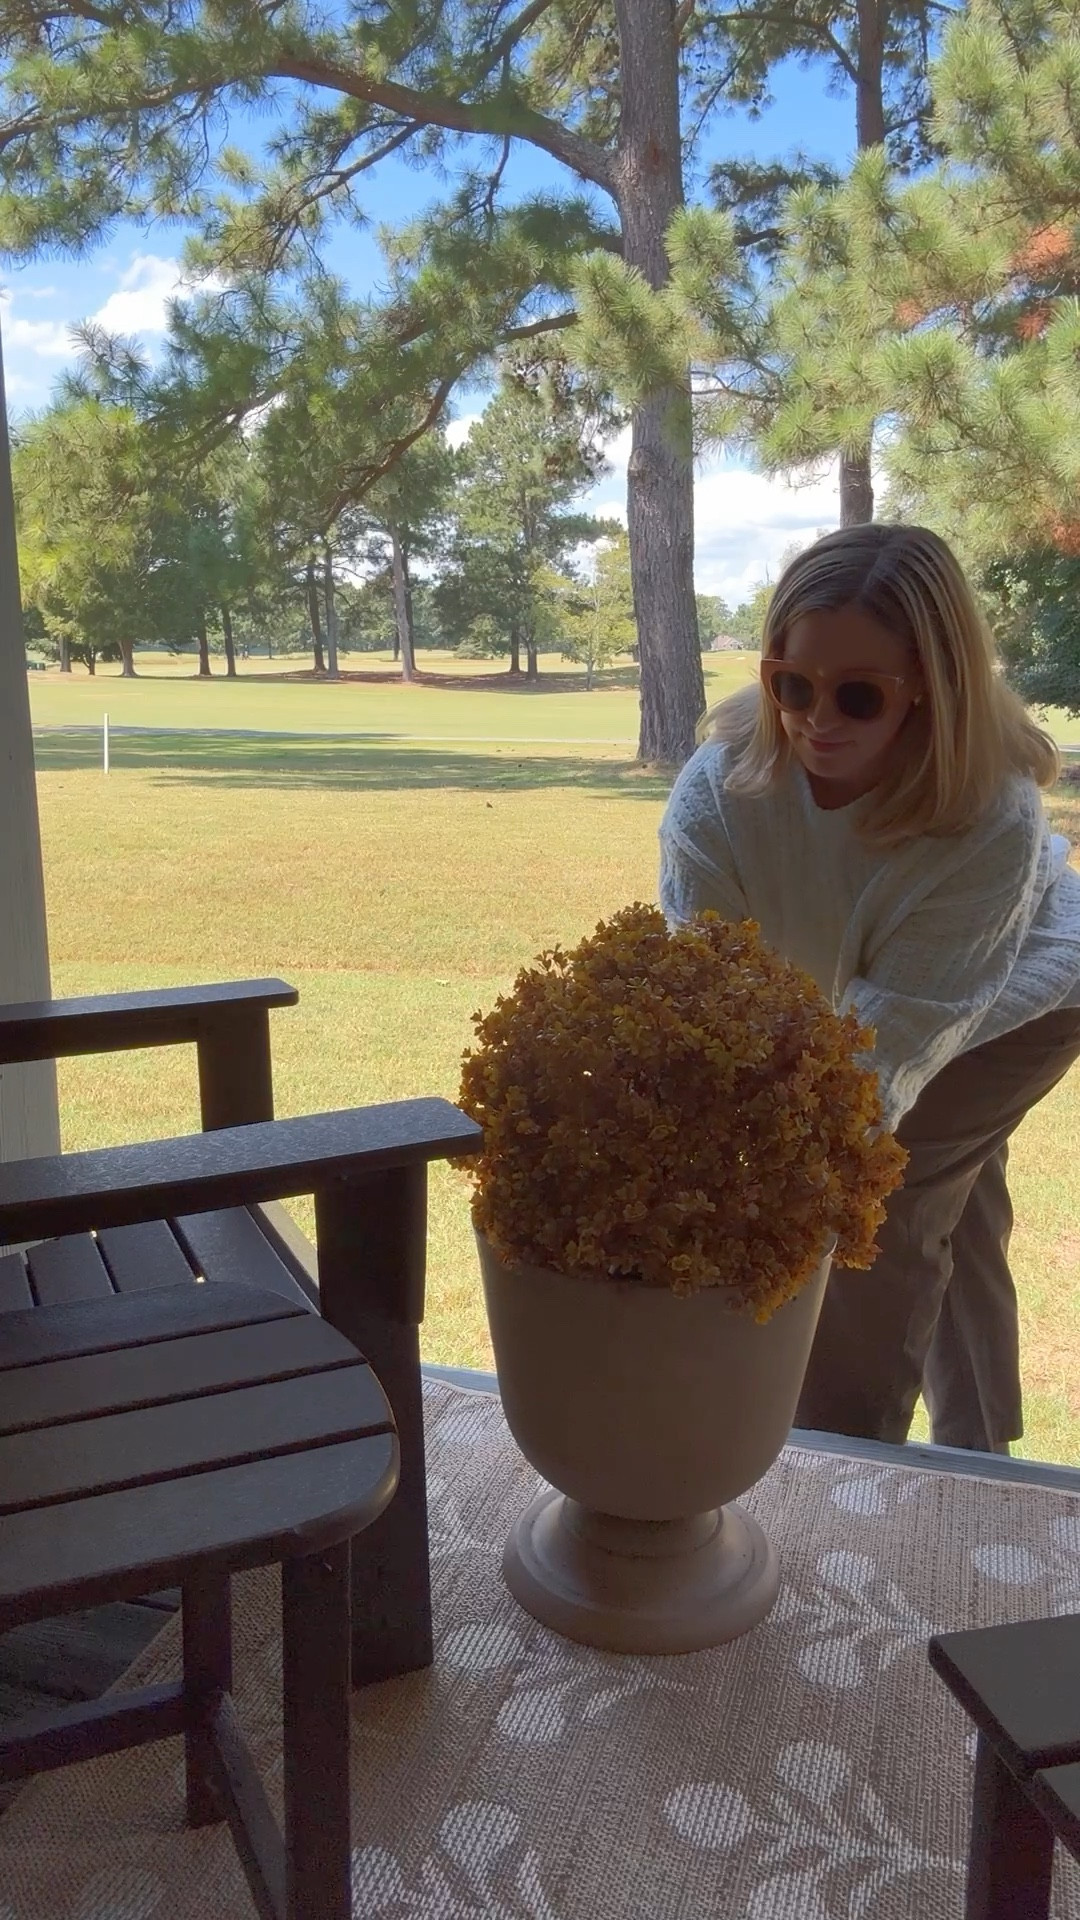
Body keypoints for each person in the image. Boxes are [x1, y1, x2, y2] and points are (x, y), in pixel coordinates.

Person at [659, 523, 1080, 1455]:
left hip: (1024, 994)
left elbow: (890, 1044)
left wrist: (781, 1174)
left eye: (858, 694)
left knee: (885, 1206)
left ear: (931, 687)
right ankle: (982, 1459)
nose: (817, 718)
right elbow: (701, 995)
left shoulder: (989, 816)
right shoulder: (716, 792)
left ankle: (840, 1468)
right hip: (864, 1003)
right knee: (953, 1197)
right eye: (790, 684)